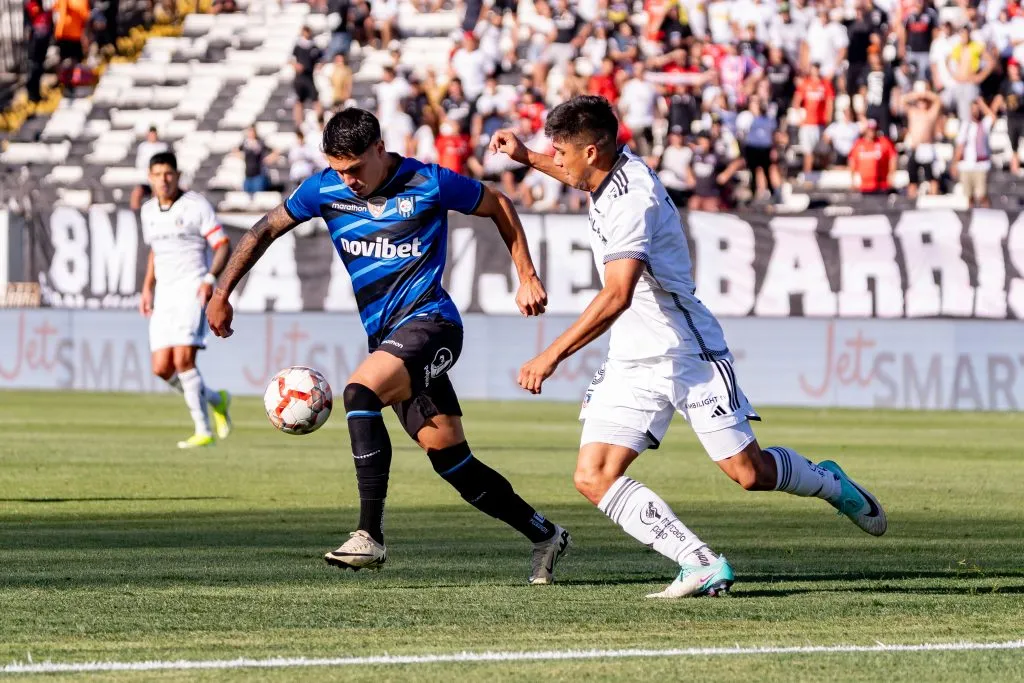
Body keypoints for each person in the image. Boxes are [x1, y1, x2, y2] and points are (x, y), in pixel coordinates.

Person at [489, 95, 886, 599]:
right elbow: (576, 176)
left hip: (686, 352)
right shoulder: (604, 170)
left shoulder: (636, 201)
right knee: (592, 476)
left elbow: (617, 296)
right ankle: (697, 561)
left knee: (750, 473)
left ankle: (829, 481)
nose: (556, 158)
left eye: (560, 150)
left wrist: (550, 356)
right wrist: (528, 158)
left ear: (591, 151)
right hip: (632, 360)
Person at [206, 108, 571, 584]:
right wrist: (221, 293)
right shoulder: (324, 190)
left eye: (356, 168)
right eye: (340, 170)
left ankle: (369, 535)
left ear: (381, 149)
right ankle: (545, 533)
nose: (349, 180)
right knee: (451, 461)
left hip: (433, 324)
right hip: (390, 340)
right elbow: (263, 230)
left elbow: (498, 204)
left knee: (359, 393)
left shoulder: (428, 182)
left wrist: (526, 275)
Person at [139, 152, 233, 449]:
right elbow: (155, 252)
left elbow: (222, 245)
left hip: (192, 288)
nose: (163, 180)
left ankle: (202, 430)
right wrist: (146, 288)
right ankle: (217, 400)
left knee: (183, 360)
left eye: (168, 174)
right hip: (164, 294)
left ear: (177, 176)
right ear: (150, 177)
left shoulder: (195, 205)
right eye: (157, 174)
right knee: (161, 368)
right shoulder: (148, 212)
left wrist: (209, 279)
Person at [952, 97, 995, 208]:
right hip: (966, 165)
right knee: (968, 196)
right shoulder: (965, 126)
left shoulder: (984, 125)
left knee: (981, 195)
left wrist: (982, 103)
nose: (974, 111)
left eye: (976, 109)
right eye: (972, 109)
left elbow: (992, 117)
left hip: (981, 166)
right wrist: (954, 163)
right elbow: (960, 146)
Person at [848, 119, 897, 194]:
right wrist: (852, 180)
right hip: (864, 186)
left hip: (882, 185)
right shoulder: (858, 144)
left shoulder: (884, 142)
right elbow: (852, 161)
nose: (872, 132)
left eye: (874, 129)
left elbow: (893, 158)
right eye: (870, 129)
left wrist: (891, 176)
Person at [131, 126, 171, 210]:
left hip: (158, 179)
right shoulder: (143, 147)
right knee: (136, 193)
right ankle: (136, 216)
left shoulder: (162, 147)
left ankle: (156, 213)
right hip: (146, 179)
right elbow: (140, 164)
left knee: (156, 193)